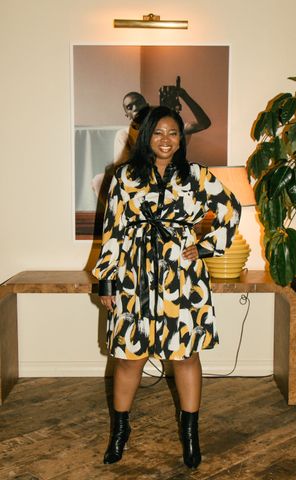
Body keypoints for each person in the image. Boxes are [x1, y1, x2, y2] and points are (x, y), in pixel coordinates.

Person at [92, 106, 241, 468]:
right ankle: (120, 431)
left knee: (186, 355)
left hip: (182, 277)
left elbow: (231, 211)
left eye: (173, 132)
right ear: (146, 136)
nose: (165, 139)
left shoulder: (196, 176)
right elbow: (112, 232)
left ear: (181, 138)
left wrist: (204, 246)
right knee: (129, 358)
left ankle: (190, 436)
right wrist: (108, 282)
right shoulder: (125, 176)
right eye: (158, 132)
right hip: (134, 276)